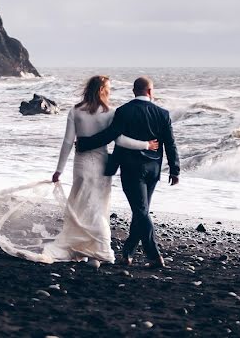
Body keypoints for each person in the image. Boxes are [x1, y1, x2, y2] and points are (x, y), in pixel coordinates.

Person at [44, 75, 158, 266]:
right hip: (101, 164)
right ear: (103, 90)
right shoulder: (110, 113)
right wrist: (145, 145)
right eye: (109, 88)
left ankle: (77, 247)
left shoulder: (75, 111)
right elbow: (119, 140)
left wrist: (58, 170)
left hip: (80, 164)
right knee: (97, 206)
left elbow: (67, 142)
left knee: (79, 203)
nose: (110, 91)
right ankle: (98, 249)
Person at [75, 76, 180, 269]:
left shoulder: (124, 111)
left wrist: (84, 143)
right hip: (154, 169)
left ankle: (154, 255)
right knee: (141, 210)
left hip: (131, 169)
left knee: (140, 211)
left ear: (134, 91)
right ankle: (128, 253)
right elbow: (170, 143)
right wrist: (175, 170)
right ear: (150, 92)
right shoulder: (163, 114)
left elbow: (111, 136)